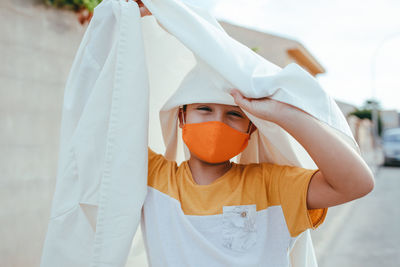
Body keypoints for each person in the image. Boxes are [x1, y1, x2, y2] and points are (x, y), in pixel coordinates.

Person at [131, 0, 375, 266]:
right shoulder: (153, 176)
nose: (218, 123)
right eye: (204, 109)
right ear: (181, 116)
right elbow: (104, 115)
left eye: (234, 114)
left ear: (252, 128)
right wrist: (141, 17)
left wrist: (283, 114)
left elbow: (357, 184)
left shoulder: (273, 187)